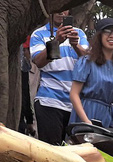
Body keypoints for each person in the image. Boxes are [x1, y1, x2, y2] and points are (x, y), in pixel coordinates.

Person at [29, 10, 88, 144]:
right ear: (50, 11)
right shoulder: (38, 34)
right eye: (57, 8)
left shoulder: (79, 34)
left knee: (75, 152)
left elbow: (88, 60)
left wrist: (76, 45)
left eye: (65, 8)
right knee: (52, 152)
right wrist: (56, 41)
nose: (61, 12)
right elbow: (38, 62)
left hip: (76, 104)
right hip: (49, 101)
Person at [68, 18, 113, 131]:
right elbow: (74, 94)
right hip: (86, 114)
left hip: (107, 118)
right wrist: (87, 122)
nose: (112, 35)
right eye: (107, 31)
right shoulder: (87, 62)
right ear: (99, 36)